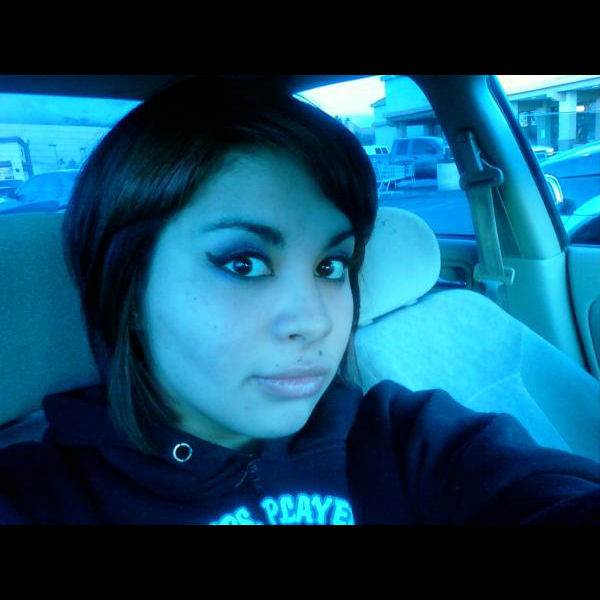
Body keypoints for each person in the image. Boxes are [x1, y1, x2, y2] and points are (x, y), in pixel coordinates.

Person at [0, 77, 599, 525]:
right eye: (243, 263)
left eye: (330, 266)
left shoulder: (401, 438)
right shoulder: (41, 498)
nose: (314, 322)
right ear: (128, 289)